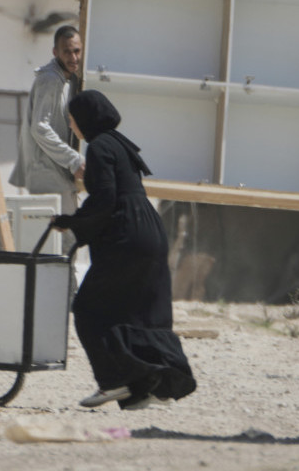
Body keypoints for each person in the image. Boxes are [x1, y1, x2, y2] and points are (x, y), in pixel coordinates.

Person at [53, 89, 196, 410]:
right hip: (149, 230)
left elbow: (104, 199)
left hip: (127, 234)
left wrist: (72, 221)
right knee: (139, 311)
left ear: (86, 119)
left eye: (73, 121)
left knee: (88, 309)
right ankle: (146, 385)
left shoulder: (100, 146)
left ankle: (113, 382)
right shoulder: (119, 143)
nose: (73, 127)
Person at [9, 25, 85, 212]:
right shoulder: (50, 79)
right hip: (47, 175)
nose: (73, 58)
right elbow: (39, 128)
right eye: (67, 52)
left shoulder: (68, 79)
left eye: (77, 51)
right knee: (64, 237)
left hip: (57, 174)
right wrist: (74, 160)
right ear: (55, 52)